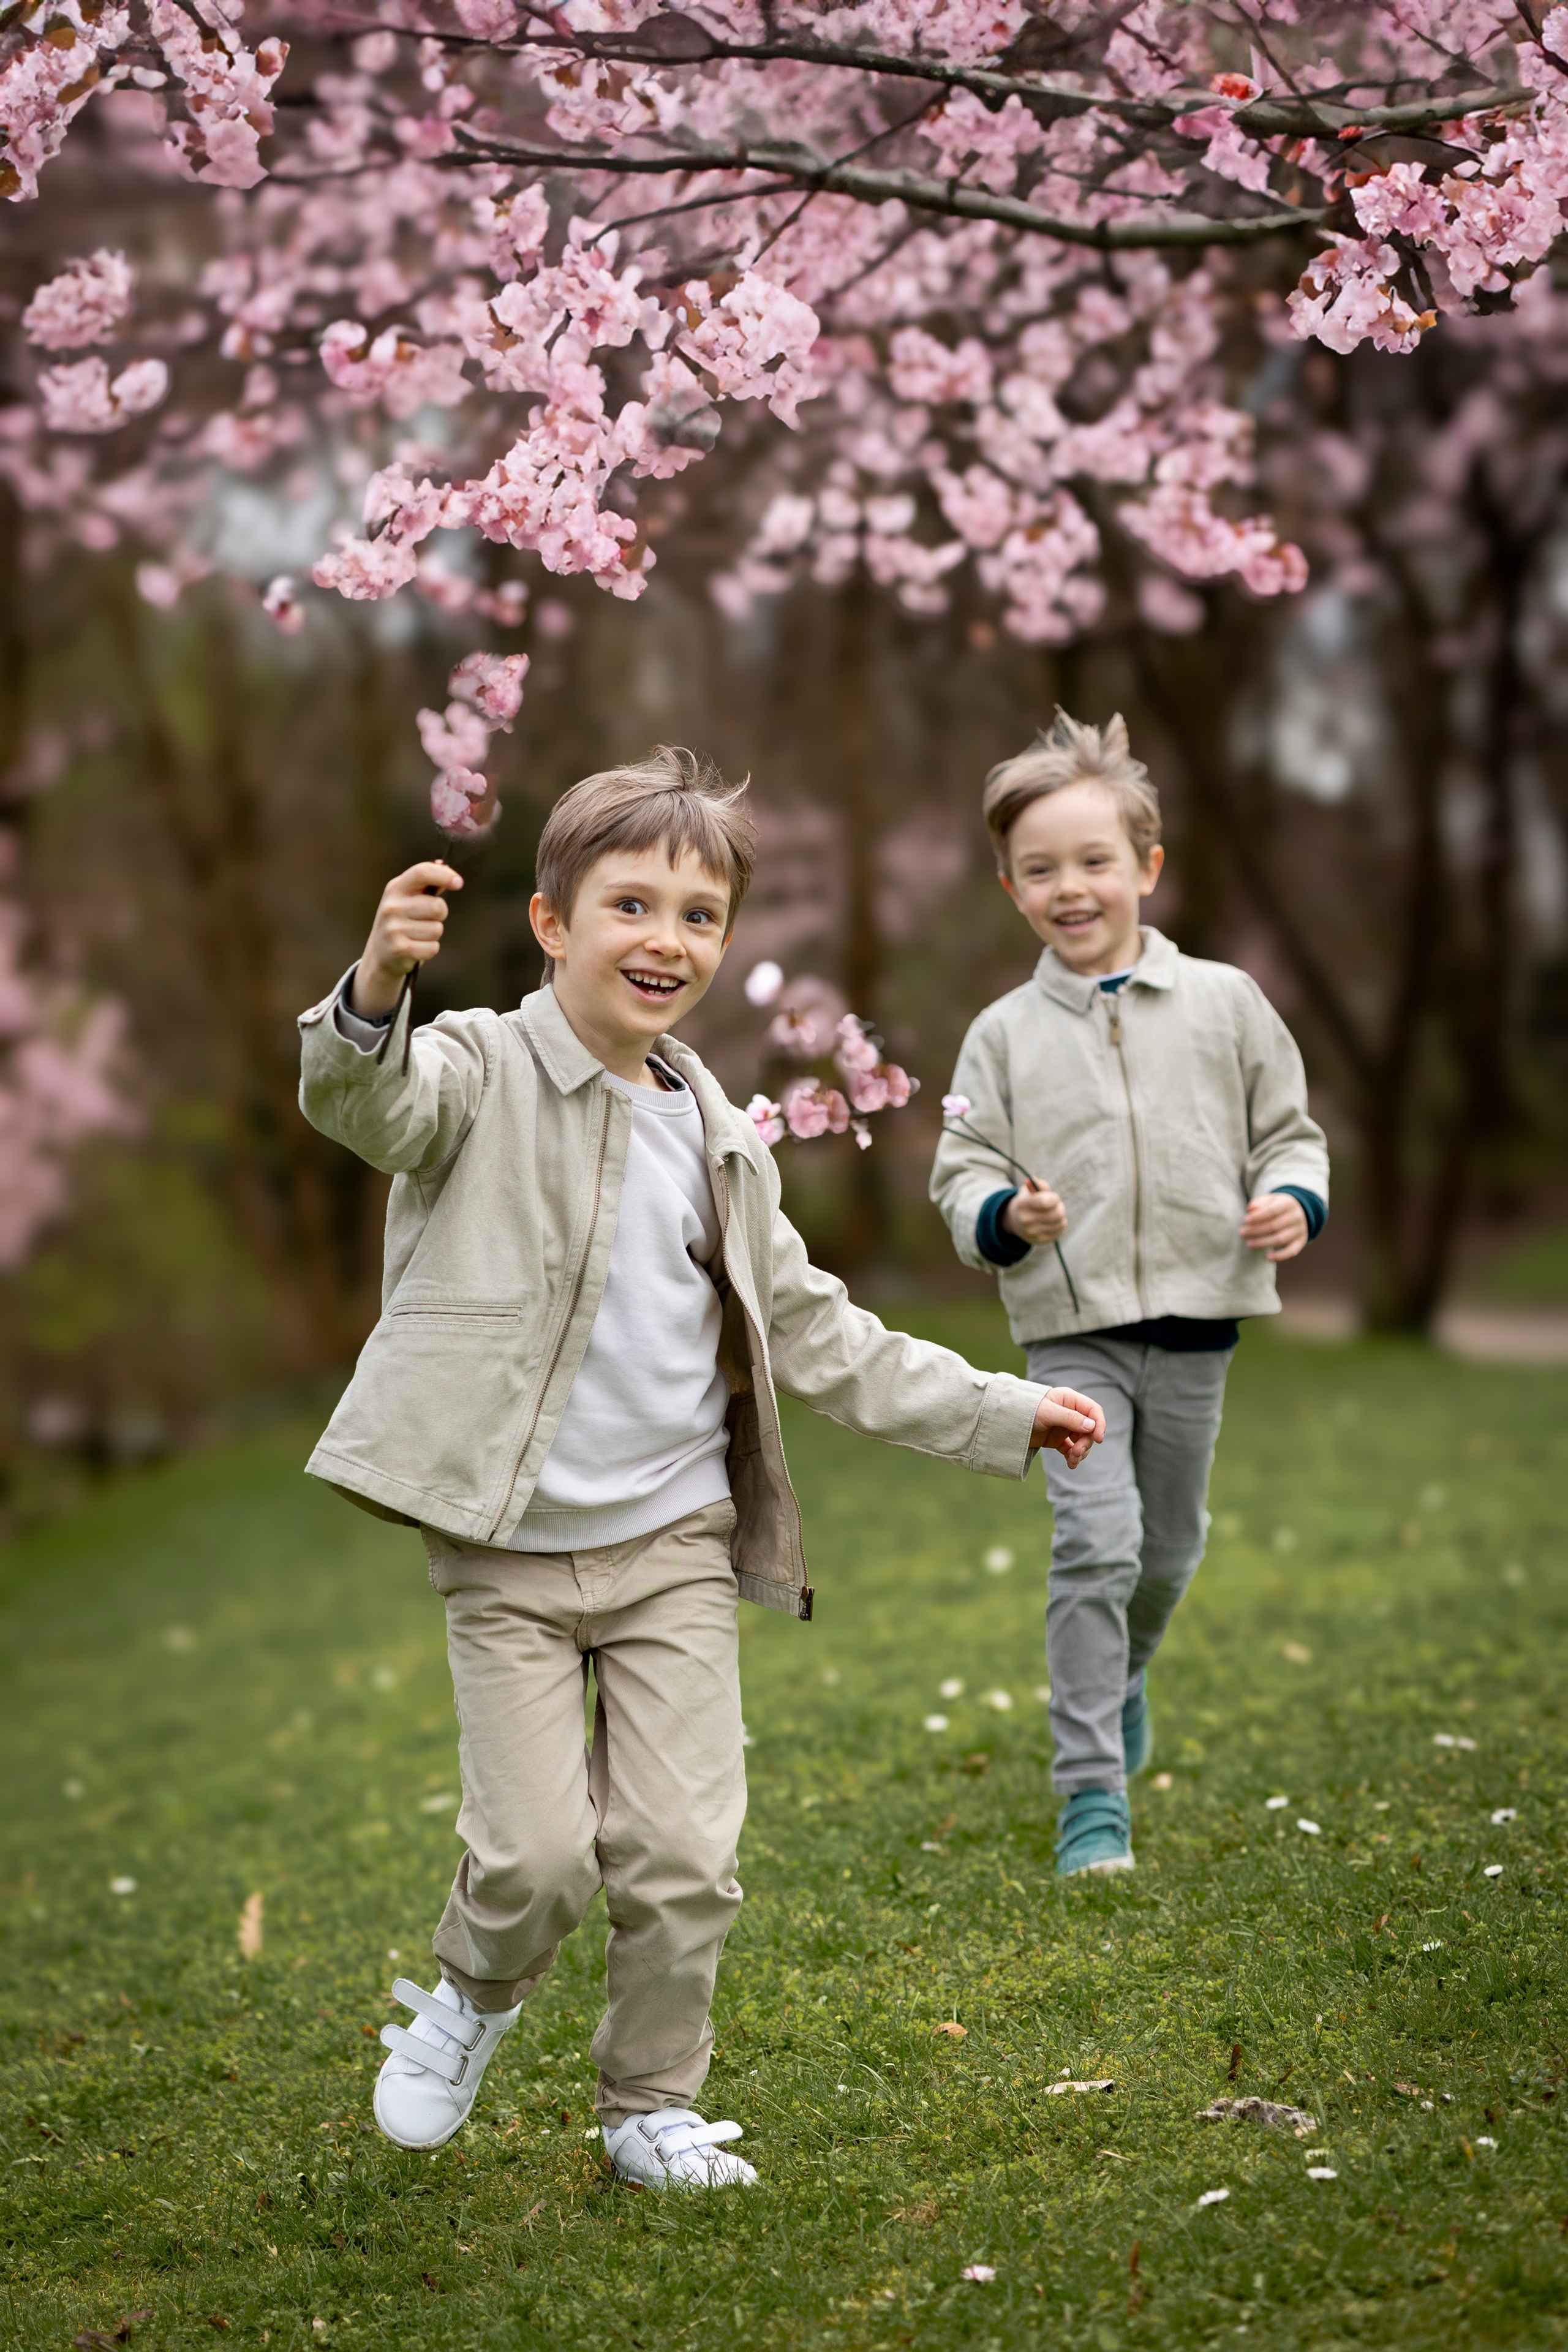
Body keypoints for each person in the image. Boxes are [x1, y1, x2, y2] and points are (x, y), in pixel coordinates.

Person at [297, 746, 1106, 2190]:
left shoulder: (722, 1140)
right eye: (629, 905)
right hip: (509, 1551)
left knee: (681, 1857)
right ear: (552, 924)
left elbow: (815, 1330)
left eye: (699, 915)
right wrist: (373, 992)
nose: (664, 940)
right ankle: (470, 2002)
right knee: (535, 1859)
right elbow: (370, 1110)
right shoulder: (475, 1066)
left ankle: (647, 2105)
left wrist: (999, 1407)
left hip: (671, 1539)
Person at [930, 712, 1329, 1880]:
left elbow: (1291, 1137)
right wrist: (1007, 1217)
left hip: (1202, 1321)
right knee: (1095, 1549)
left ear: (1146, 868)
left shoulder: (1227, 1003)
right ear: (1011, 888)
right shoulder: (1000, 1038)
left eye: (1095, 861)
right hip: (1072, 1334)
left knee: (1168, 1552)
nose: (1072, 887)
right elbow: (963, 1171)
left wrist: (1294, 1203)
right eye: (1042, 869)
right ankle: (1093, 1795)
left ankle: (1126, 1674)